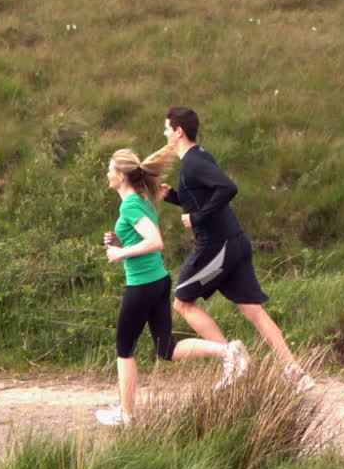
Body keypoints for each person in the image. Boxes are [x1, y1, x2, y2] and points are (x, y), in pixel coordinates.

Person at [160, 106, 314, 392]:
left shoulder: (193, 161)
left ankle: (234, 359)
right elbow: (203, 197)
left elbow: (227, 188)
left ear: (179, 131)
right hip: (234, 242)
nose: (165, 133)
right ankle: (295, 373)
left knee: (182, 302)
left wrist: (196, 218)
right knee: (253, 311)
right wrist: (174, 198)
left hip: (217, 246)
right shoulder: (200, 157)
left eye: (167, 128)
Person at [95, 146, 247, 427]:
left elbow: (155, 242)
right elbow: (145, 239)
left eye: (109, 170)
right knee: (166, 349)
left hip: (142, 284)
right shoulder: (142, 200)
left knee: (124, 349)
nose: (107, 174)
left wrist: (121, 253)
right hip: (157, 280)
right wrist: (120, 241)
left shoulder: (130, 204)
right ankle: (228, 351)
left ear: (120, 175)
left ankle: (126, 415)